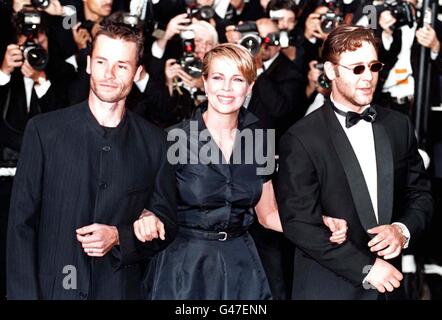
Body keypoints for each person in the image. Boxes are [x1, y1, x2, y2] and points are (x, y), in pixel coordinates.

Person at [134, 43, 348, 300]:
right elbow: (152, 205)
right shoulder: (175, 138)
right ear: (204, 81)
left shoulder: (260, 140)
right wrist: (146, 215)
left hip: (240, 265)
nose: (226, 88)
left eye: (237, 79)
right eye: (217, 77)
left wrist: (317, 222)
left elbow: (268, 215)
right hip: (185, 267)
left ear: (250, 86)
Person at [6, 22, 177, 299]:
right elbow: (20, 227)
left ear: (136, 72)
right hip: (53, 291)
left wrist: (121, 236)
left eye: (122, 65)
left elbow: (166, 225)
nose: (109, 74)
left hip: (120, 291)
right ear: (88, 65)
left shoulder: (156, 143)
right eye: (101, 62)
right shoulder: (43, 131)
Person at [277, 25, 433, 300]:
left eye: (373, 66)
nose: (368, 77)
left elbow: (420, 195)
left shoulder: (399, 126)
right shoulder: (301, 138)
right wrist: (367, 268)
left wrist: (402, 230)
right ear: (330, 71)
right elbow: (299, 223)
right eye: (357, 69)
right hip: (329, 288)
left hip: (391, 288)